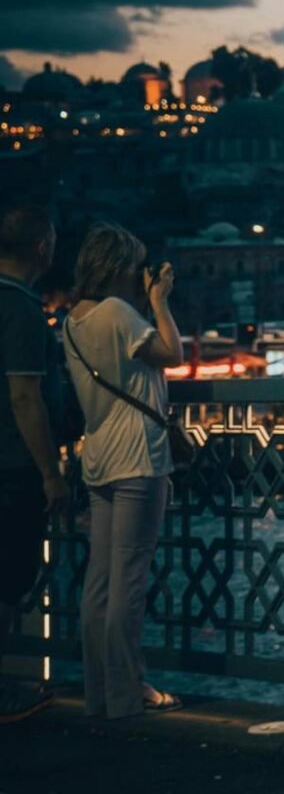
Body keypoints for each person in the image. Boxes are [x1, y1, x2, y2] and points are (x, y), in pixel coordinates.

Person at [64, 222, 184, 718]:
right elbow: (172, 354)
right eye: (136, 266)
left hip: (99, 456)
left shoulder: (74, 320)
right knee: (129, 579)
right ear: (117, 268)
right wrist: (160, 301)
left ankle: (99, 693)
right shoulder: (119, 312)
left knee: (99, 582)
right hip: (138, 453)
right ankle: (126, 693)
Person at [0, 201, 70, 723]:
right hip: (10, 468)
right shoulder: (20, 310)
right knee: (8, 579)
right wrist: (51, 472)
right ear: (42, 249)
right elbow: (26, 397)